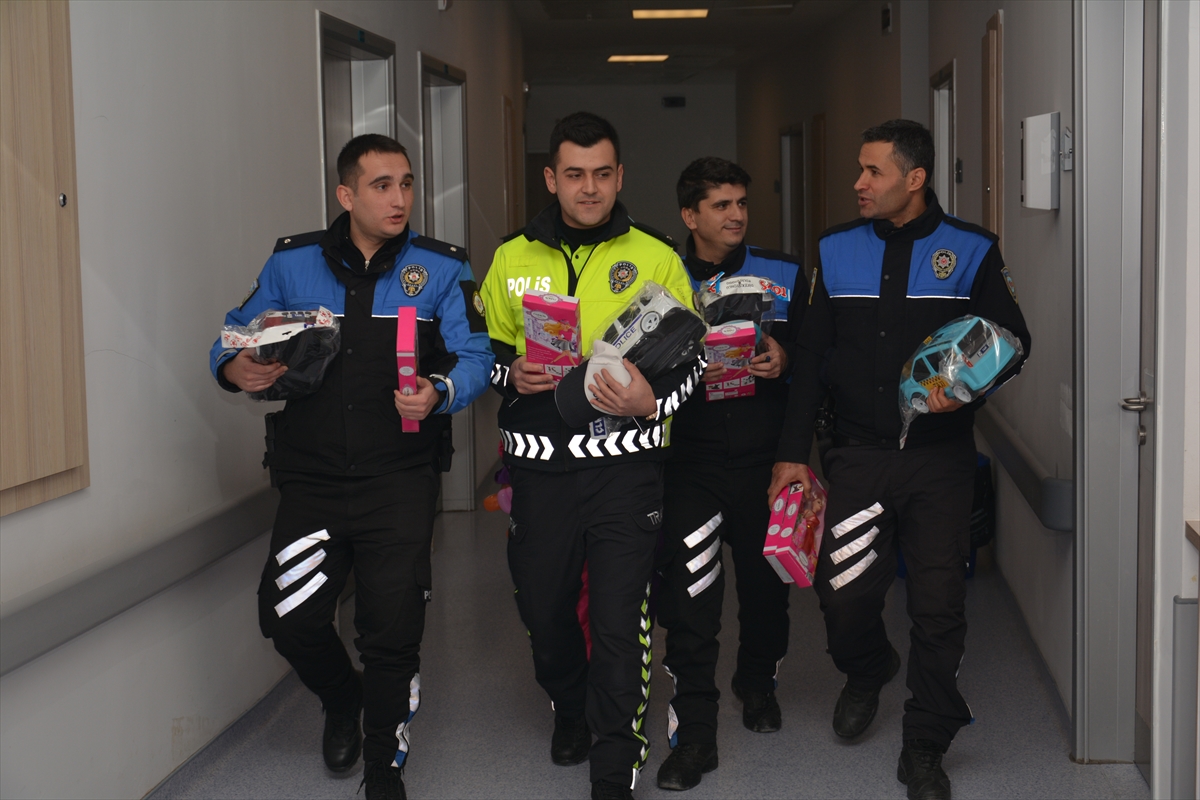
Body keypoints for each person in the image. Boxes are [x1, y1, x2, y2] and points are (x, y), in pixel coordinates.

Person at [209, 134, 493, 800]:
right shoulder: (292, 264)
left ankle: (382, 769)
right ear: (346, 194)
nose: (400, 199)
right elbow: (233, 333)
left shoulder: (440, 268)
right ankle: (344, 699)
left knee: (390, 631)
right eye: (381, 186)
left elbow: (476, 357)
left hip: (400, 480)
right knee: (289, 618)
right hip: (312, 482)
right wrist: (232, 365)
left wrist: (439, 392)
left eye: (406, 184)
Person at [769, 119, 1031, 800]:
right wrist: (792, 455)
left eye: (873, 171)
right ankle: (867, 669)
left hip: (939, 463)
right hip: (856, 457)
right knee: (843, 595)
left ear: (915, 178)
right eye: (860, 169)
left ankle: (925, 743)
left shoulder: (971, 249)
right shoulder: (835, 248)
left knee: (939, 606)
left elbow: (1013, 340)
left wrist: (968, 386)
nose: (859, 183)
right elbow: (812, 359)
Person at [478, 112, 704, 800]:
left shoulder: (657, 255)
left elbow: (693, 363)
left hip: (624, 468)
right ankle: (569, 704)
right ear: (551, 178)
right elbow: (482, 355)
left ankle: (614, 767)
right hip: (539, 471)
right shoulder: (511, 257)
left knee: (618, 620)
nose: (590, 188)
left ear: (620, 176)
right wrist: (510, 374)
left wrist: (651, 403)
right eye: (574, 174)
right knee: (544, 611)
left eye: (603, 174)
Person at [653, 158, 806, 792]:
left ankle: (757, 680)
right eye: (721, 205)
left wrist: (783, 358)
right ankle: (695, 734)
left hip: (763, 459)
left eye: (741, 202)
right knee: (692, 600)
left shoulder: (784, 272)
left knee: (767, 591)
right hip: (687, 463)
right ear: (690, 216)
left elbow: (815, 362)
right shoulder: (660, 273)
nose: (737, 215)